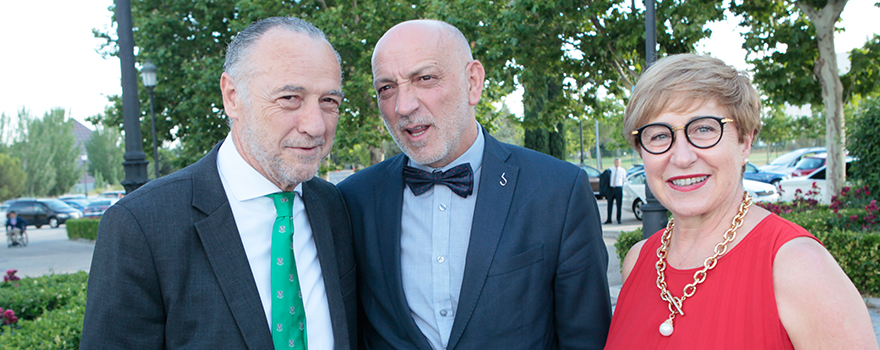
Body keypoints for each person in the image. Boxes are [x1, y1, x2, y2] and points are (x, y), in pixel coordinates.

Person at [81, 17, 356, 350]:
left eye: (329, 101)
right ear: (232, 96)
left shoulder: (336, 208)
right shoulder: (142, 225)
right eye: (290, 98)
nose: (315, 125)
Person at [337, 19, 611, 350]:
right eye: (386, 88)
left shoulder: (558, 191)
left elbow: (587, 339)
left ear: (473, 81)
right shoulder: (354, 200)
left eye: (425, 79)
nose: (403, 106)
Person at [605, 54, 878, 349]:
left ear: (745, 141)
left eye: (704, 129)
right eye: (659, 135)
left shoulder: (799, 267)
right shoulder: (637, 261)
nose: (681, 157)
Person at [604, 158, 626, 224]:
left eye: (618, 162)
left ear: (620, 163)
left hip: (618, 188)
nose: (617, 163)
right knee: (609, 204)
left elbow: (624, 179)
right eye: (616, 162)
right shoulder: (610, 169)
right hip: (611, 188)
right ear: (614, 162)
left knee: (619, 205)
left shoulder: (622, 170)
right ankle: (609, 219)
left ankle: (618, 219)